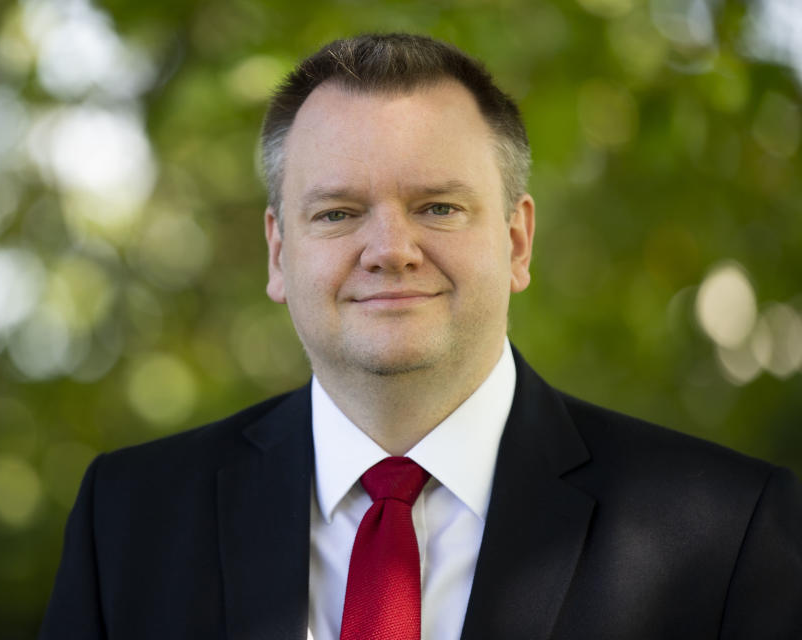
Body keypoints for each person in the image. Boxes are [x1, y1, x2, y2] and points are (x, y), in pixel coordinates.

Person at [39, 33, 802, 640]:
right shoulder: (131, 520)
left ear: (518, 240)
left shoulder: (725, 531)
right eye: (337, 213)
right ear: (278, 253)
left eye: (437, 207)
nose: (391, 248)